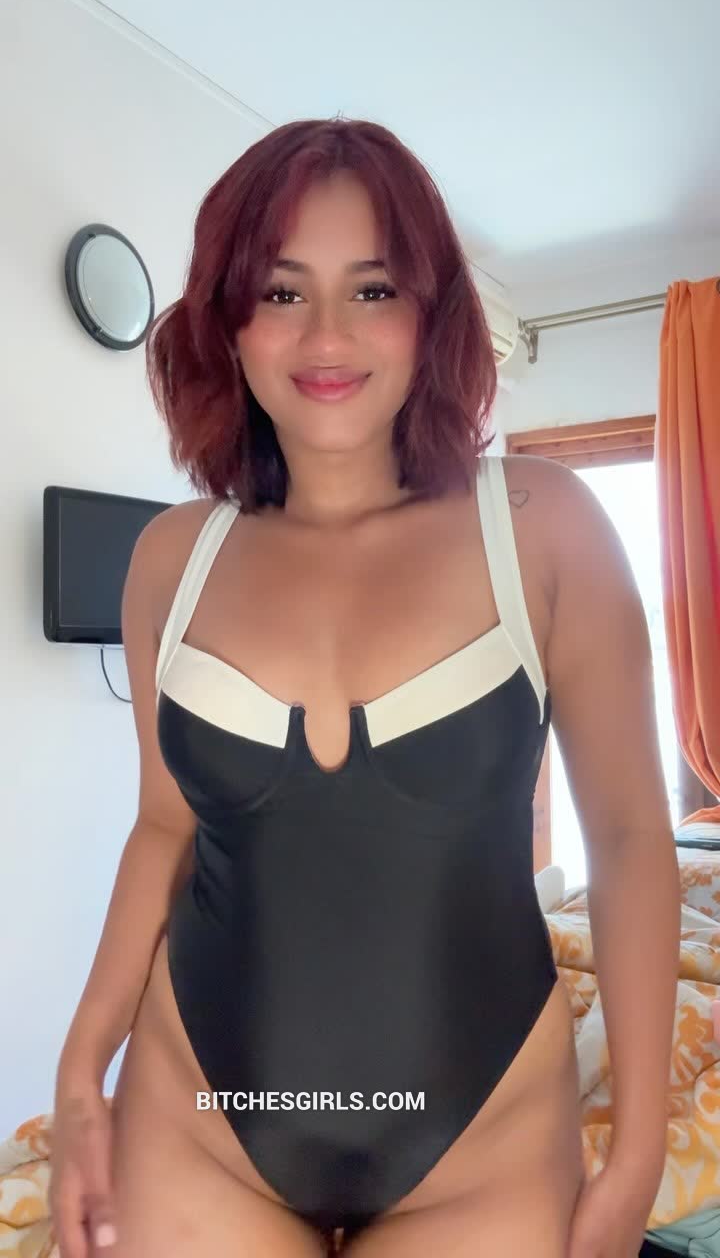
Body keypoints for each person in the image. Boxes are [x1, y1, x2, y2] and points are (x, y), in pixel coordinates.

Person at [49, 118, 679, 1257]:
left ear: (431, 314)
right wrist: (81, 1066)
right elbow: (163, 825)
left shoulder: (541, 526)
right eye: (282, 291)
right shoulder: (170, 559)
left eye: (373, 288)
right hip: (200, 1128)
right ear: (229, 320)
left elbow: (632, 834)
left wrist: (636, 1151)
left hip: (483, 1145)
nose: (327, 334)